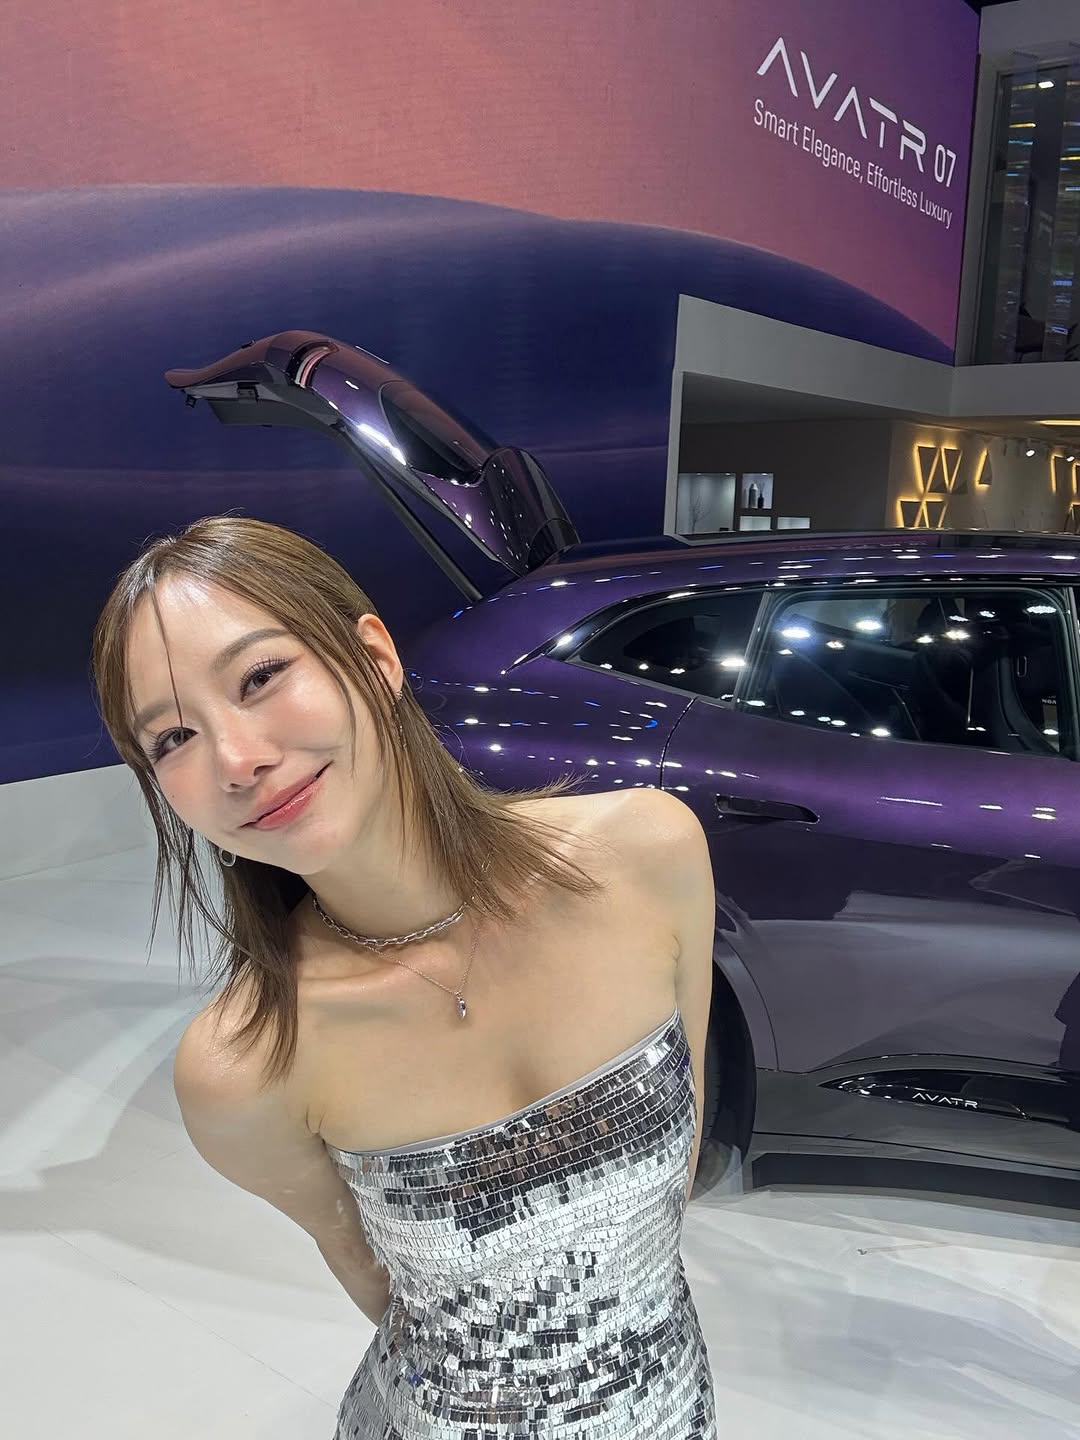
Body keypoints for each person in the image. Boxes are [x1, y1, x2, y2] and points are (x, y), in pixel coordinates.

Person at [91, 513, 718, 1438]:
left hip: (670, 1403)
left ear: (375, 658)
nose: (239, 760)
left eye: (261, 677)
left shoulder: (646, 856)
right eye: (175, 738)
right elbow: (381, 1289)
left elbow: (678, 1172)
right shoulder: (246, 1066)